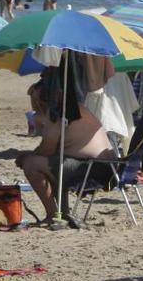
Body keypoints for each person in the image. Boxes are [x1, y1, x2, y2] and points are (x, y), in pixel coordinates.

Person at [16, 82, 114, 224]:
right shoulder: (74, 107)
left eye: (35, 99)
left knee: (31, 164)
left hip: (92, 168)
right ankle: (63, 211)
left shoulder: (57, 111)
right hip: (109, 167)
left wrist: (27, 157)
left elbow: (47, 148)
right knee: (52, 162)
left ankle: (53, 214)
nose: (35, 105)